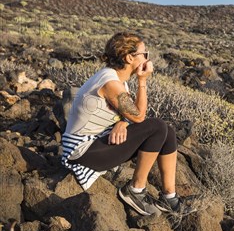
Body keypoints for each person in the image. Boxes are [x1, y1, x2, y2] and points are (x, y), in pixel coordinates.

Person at [61, 32, 192, 216]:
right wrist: (142, 80)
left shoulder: (119, 81)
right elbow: (139, 117)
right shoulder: (109, 82)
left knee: (168, 132)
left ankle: (169, 197)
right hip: (80, 153)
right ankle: (135, 190)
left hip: (97, 143)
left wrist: (122, 122)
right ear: (130, 57)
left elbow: (130, 115)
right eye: (144, 54)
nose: (147, 58)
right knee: (157, 127)